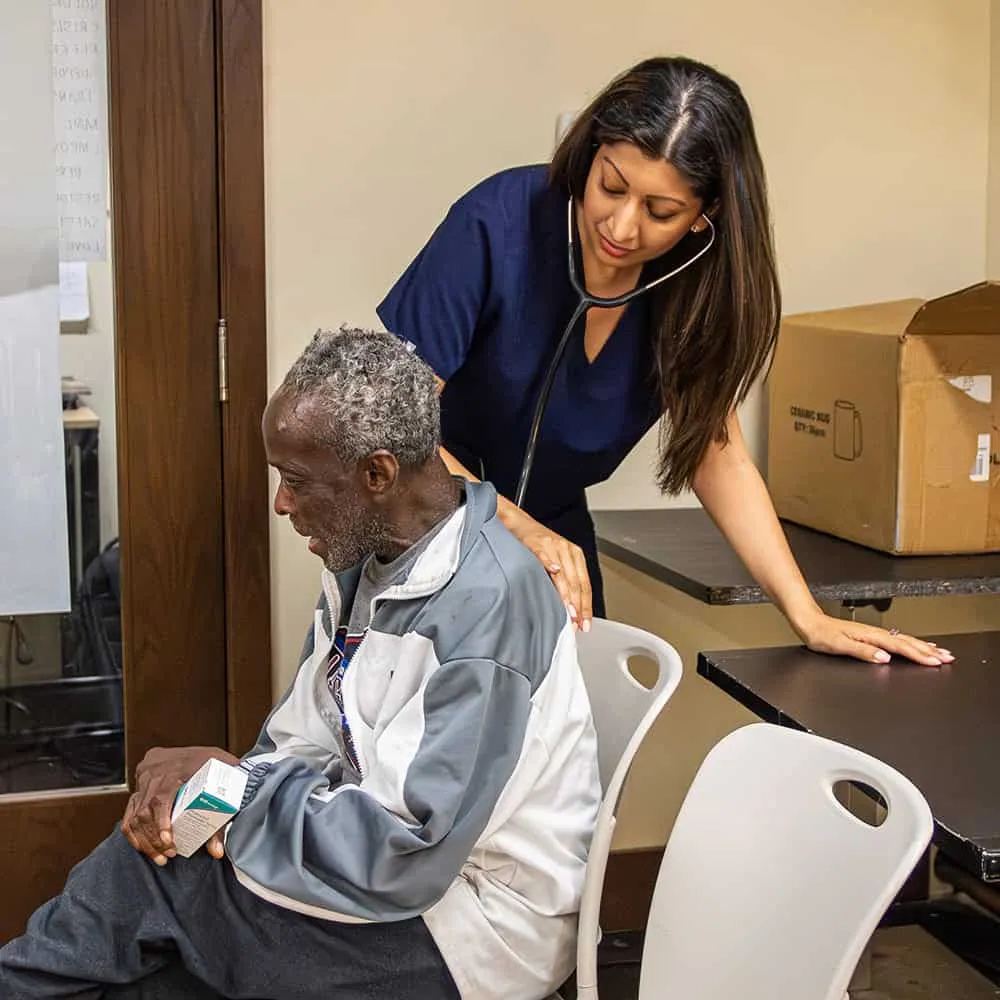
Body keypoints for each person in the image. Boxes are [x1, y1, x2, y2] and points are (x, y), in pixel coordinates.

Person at [0, 328, 601, 1000]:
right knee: (154, 933)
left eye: (294, 480)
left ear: (377, 474)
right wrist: (208, 800)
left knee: (152, 881)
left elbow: (408, 854)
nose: (282, 503)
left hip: (472, 927)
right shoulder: (366, 565)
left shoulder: (485, 607)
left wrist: (234, 793)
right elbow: (301, 741)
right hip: (380, 871)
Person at [377, 55, 951, 668]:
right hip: (430, 517)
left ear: (706, 215)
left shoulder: (698, 288)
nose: (622, 226)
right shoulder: (496, 222)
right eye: (611, 186)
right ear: (589, 153)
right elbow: (390, 424)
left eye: (661, 212)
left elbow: (714, 449)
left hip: (556, 538)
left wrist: (805, 614)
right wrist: (516, 527)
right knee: (410, 740)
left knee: (567, 743)